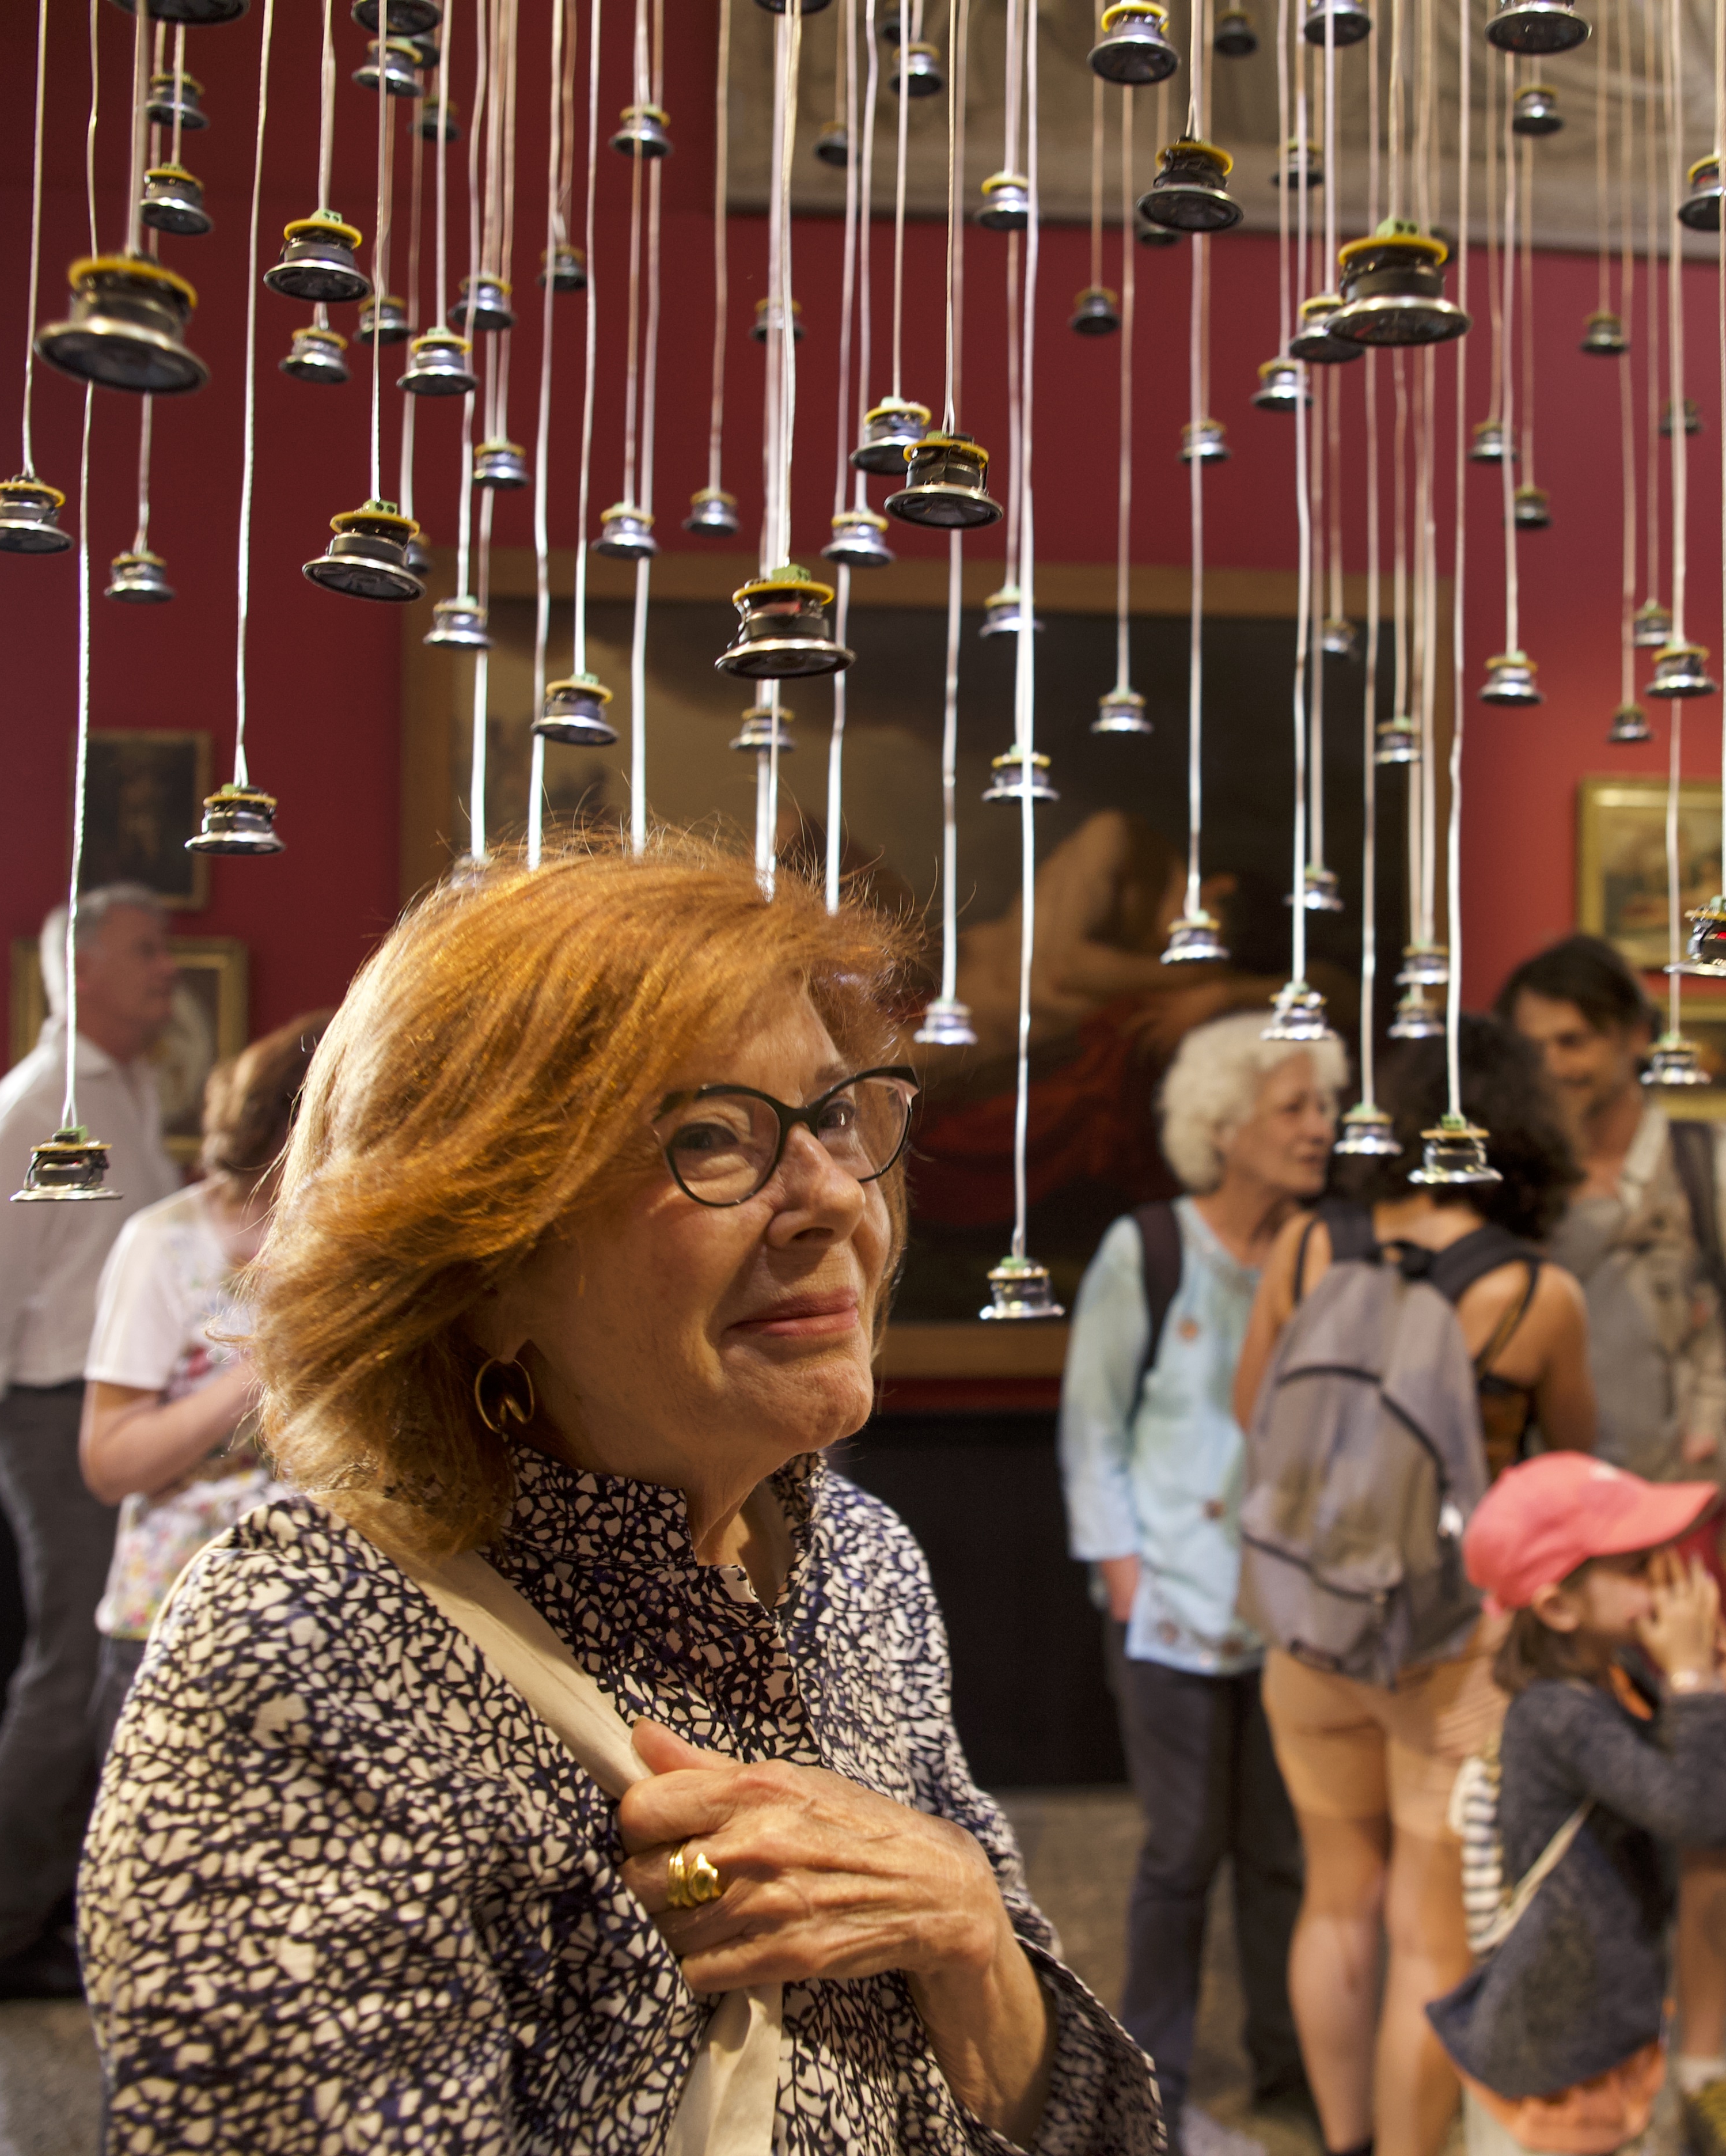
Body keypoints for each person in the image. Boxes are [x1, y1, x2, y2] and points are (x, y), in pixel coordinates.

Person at [83, 834, 1158, 2153]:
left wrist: (970, 1927)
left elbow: (1077, 2119)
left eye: (832, 1115)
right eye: (707, 1136)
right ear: (478, 1260)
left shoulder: (856, 1562)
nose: (830, 1196)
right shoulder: (303, 1661)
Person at [1233, 1018, 1594, 2156]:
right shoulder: (1536, 1294)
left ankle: (1342, 2141)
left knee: (1335, 1897)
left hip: (1309, 1627)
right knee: (1430, 1933)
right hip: (1450, 1648)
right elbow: (1567, 1485)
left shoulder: (1305, 1245)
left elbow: (1251, 1412)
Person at [1500, 934, 1726, 2156]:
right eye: (1534, 1045)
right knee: (1550, 1814)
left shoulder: (1721, 1168)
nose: (1556, 1065)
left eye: (1577, 1038)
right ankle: (1586, 2059)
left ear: (1637, 1038)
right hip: (1549, 1564)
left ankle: (1706, 2063)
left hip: (1686, 1546)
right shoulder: (1509, 1174)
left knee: (1709, 1815)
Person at [1055, 1012, 1340, 2144]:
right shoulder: (1150, 1247)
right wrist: (1125, 1574)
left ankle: (1292, 2063)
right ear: (1225, 1127)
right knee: (1180, 1854)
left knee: (1284, 1852)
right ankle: (1154, 2076)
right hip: (1169, 1599)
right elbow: (1093, 1422)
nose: (1321, 1126)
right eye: (1294, 1106)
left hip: (1291, 1611)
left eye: (1326, 1104)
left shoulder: (1324, 1252)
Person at [0, 881, 181, 2003]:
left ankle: (58, 1914)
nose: (168, 969)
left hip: (109, 1402)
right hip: (52, 1403)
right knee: (71, 1667)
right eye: (146, 950)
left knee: (97, 1665)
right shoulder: (47, 1103)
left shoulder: (129, 1086)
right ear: (78, 971)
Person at [1429, 1453, 1726, 2156]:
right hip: (1558, 2051)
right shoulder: (1555, 1715)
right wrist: (1693, 1684)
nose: (1670, 1579)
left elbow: (1694, 1801)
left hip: (1589, 2026)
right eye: (1639, 1568)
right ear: (1558, 1608)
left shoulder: (1608, 1680)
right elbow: (1701, 1818)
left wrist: (1699, 1689)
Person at [76, 1010, 327, 1758]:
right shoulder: (166, 1243)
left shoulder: (351, 1240)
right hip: (180, 1606)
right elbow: (110, 1462)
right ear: (278, 1127)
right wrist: (263, 1366)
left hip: (326, 1612)